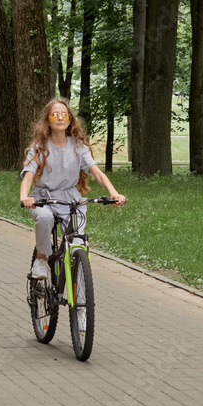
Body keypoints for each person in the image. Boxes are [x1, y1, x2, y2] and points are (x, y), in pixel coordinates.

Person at [19, 98, 126, 279]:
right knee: (44, 218)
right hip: (43, 198)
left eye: (64, 114)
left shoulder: (78, 146)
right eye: (55, 115)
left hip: (71, 199)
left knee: (77, 243)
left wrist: (113, 193)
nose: (60, 118)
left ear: (69, 120)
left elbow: (97, 173)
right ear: (48, 120)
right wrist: (25, 198)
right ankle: (42, 260)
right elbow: (28, 177)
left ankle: (78, 286)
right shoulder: (39, 147)